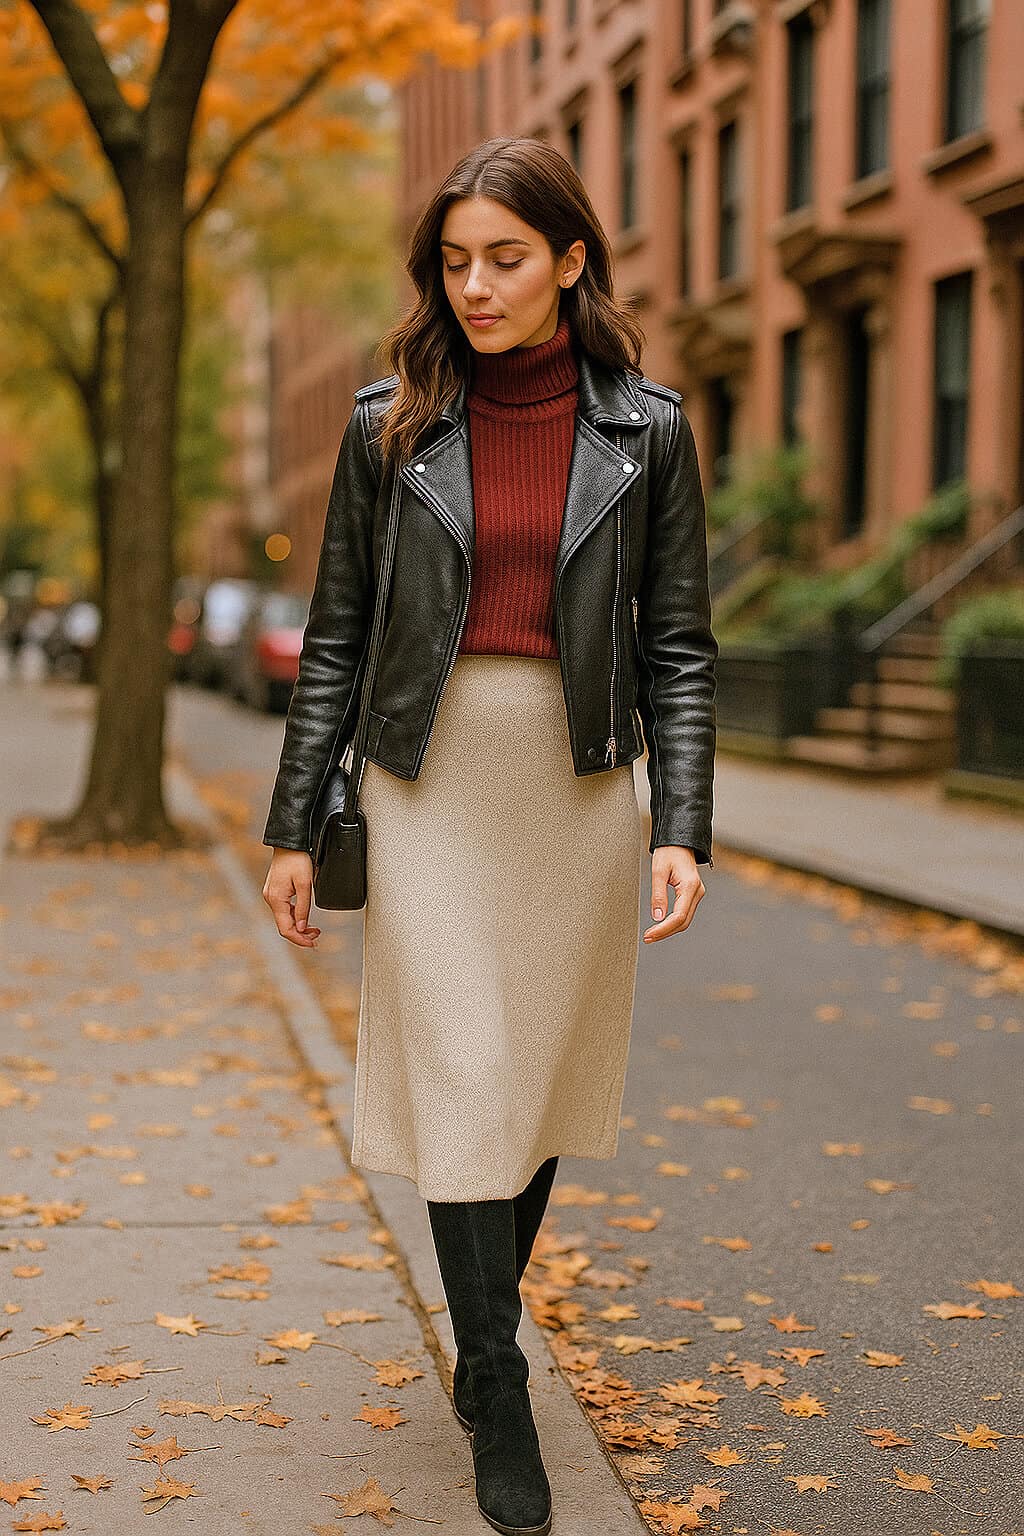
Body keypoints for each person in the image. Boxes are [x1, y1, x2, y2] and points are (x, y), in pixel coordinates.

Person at [261, 136, 717, 1536]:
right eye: (454, 262)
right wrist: (294, 825)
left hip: (577, 781)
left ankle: (481, 1319)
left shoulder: (651, 428)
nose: (475, 285)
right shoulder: (385, 423)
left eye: (504, 259)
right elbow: (335, 635)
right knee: (464, 1057)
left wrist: (682, 821)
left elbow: (681, 646)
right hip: (428, 774)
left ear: (571, 259)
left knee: (529, 1075)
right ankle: (501, 1374)